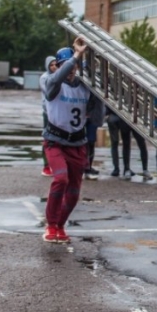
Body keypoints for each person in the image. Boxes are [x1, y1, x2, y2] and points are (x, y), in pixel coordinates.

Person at [42, 37, 104, 243]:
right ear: (58, 67)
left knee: (75, 191)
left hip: (78, 143)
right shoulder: (50, 82)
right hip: (55, 140)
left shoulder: (84, 86)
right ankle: (51, 225)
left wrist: (98, 92)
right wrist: (75, 55)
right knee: (61, 179)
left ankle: (60, 225)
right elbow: (54, 80)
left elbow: (97, 117)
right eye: (64, 66)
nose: (70, 70)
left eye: (73, 67)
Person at [39, 56, 57, 177]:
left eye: (56, 64)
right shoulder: (45, 77)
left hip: (57, 112)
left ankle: (55, 164)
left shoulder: (60, 76)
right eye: (51, 65)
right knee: (48, 138)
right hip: (48, 112)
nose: (54, 67)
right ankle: (46, 165)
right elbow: (50, 93)